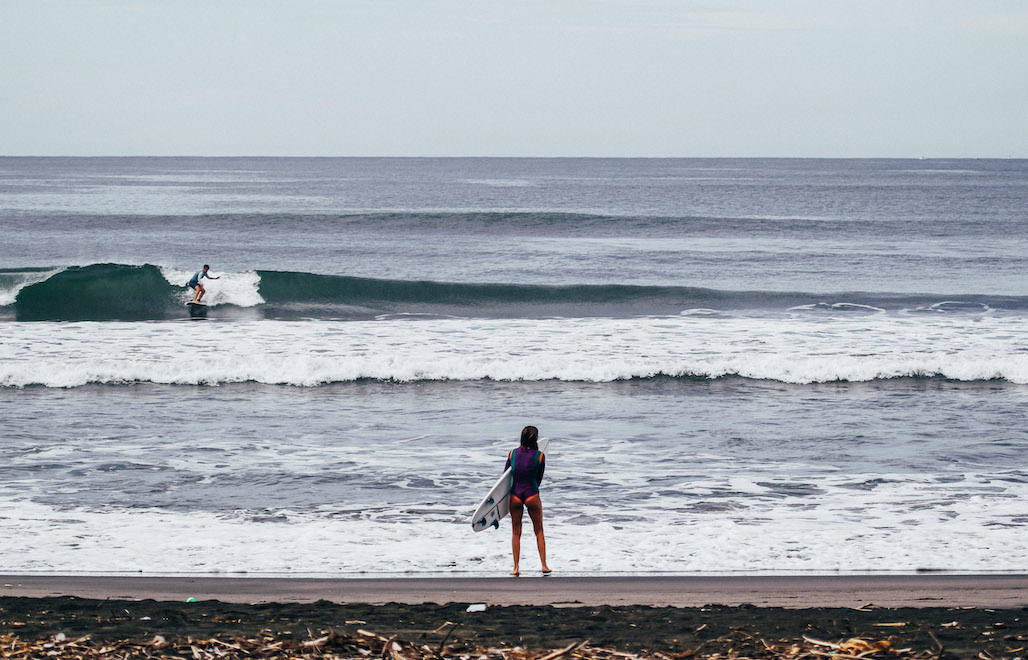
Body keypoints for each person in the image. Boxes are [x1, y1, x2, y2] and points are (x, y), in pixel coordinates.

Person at [505, 425, 551, 576]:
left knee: (516, 532)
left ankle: (516, 568)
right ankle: (544, 565)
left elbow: (505, 478)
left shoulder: (512, 453)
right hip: (532, 493)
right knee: (539, 530)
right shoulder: (540, 456)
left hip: (515, 495)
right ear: (536, 438)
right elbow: (539, 478)